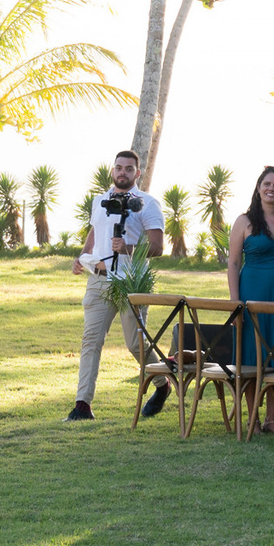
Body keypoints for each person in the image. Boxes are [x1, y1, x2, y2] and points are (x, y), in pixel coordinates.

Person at [69, 149, 167, 423]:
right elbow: (95, 232)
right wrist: (82, 257)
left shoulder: (147, 203)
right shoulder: (100, 201)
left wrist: (128, 248)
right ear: (112, 171)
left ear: (138, 173)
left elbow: (158, 247)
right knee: (91, 341)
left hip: (131, 282)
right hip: (98, 280)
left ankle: (162, 384)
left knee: (135, 345)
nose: (123, 172)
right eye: (119, 167)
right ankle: (82, 406)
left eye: (129, 168)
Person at [227, 166, 274, 380]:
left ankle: (273, 414)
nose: (271, 188)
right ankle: (253, 414)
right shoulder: (244, 221)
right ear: (258, 188)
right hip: (253, 295)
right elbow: (233, 263)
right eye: (267, 184)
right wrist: (235, 304)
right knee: (252, 355)